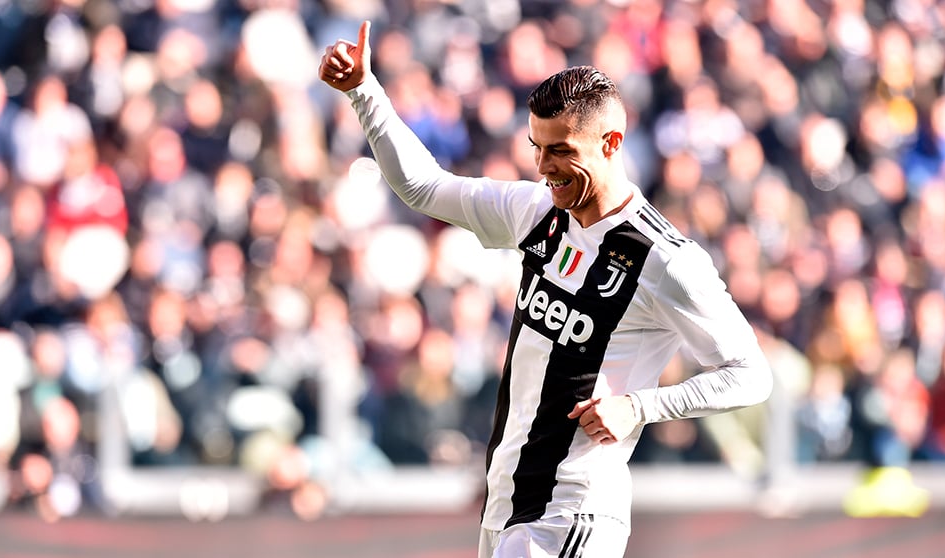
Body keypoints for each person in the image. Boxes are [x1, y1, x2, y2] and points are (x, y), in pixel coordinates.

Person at [318, 21, 774, 558]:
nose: (543, 166)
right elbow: (423, 186)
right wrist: (363, 92)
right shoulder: (535, 211)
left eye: (559, 150)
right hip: (509, 500)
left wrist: (641, 406)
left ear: (611, 143)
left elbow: (751, 376)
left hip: (574, 507)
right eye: (537, 146)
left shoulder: (665, 259)